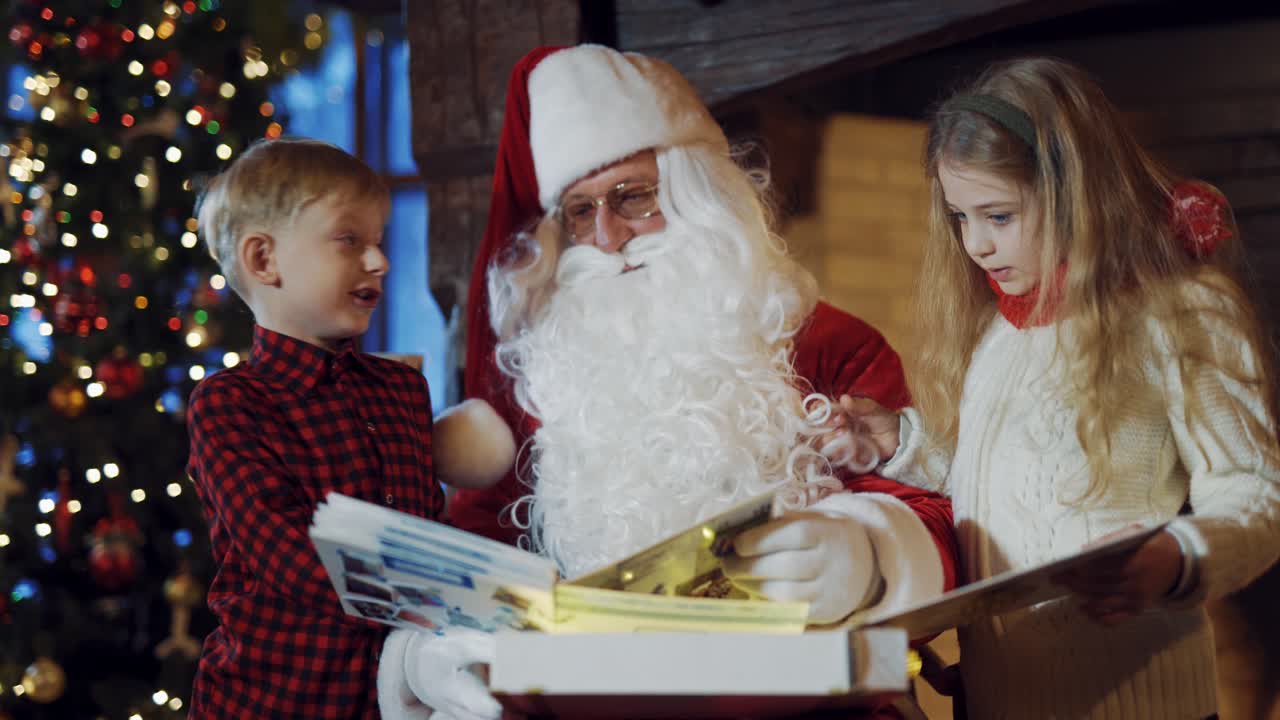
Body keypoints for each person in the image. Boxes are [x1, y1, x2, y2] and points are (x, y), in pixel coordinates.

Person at [387, 44, 961, 720]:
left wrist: (867, 554)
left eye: (632, 197)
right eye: (579, 211)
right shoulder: (544, 382)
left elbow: (935, 508)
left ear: (697, 193)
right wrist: (430, 648)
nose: (607, 235)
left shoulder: (829, 343)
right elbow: (474, 547)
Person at [833, 57, 1280, 719]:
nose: (976, 245)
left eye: (999, 216)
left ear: (1078, 191)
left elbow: (1258, 493)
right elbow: (1017, 492)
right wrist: (902, 443)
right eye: (960, 218)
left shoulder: (1178, 313)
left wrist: (1173, 556)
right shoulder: (999, 333)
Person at [187, 138, 512, 719]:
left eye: (379, 242)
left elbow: (425, 532)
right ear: (264, 260)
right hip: (273, 702)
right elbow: (291, 557)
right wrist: (483, 595)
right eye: (349, 240)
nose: (379, 261)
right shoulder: (230, 405)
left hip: (393, 699)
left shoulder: (402, 392)